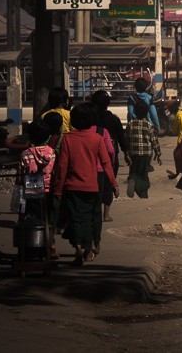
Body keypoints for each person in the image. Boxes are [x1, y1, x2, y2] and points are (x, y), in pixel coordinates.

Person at [52, 102, 118, 265]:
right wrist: (113, 183)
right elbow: (106, 163)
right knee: (89, 218)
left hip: (72, 187)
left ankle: (79, 248)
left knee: (75, 219)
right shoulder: (96, 138)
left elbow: (62, 166)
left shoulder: (67, 139)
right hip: (92, 186)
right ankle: (89, 248)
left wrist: (58, 189)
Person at [19, 120, 58, 259]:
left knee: (33, 219)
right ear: (47, 136)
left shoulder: (25, 154)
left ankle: (34, 247)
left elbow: (21, 176)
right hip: (49, 190)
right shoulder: (52, 153)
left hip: (32, 191)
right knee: (47, 220)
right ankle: (51, 245)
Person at [91, 90, 127, 223]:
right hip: (111, 155)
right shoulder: (114, 119)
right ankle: (106, 214)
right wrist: (126, 153)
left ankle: (95, 212)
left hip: (93, 155)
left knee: (95, 183)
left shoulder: (91, 120)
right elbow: (122, 138)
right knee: (108, 184)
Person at [125, 99, 161, 199]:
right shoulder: (149, 125)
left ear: (135, 112)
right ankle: (143, 194)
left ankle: (132, 178)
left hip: (133, 154)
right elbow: (154, 141)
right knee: (143, 174)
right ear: (147, 112)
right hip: (146, 155)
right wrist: (158, 154)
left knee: (133, 170)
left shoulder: (130, 124)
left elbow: (126, 140)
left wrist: (126, 153)